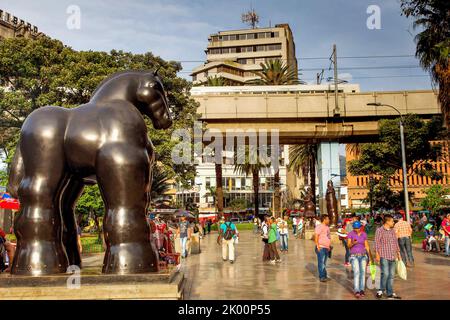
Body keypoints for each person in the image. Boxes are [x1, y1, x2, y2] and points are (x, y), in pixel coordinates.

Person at [374, 214, 402, 299]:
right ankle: (381, 290)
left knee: (391, 275)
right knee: (385, 273)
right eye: (392, 221)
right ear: (387, 221)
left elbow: (395, 242)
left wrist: (398, 254)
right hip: (384, 255)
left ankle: (390, 292)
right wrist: (377, 255)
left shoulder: (393, 230)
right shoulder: (379, 230)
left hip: (392, 255)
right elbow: (377, 243)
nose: (393, 222)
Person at [347, 221, 373, 298]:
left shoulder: (364, 234)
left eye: (358, 228)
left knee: (363, 272)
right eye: (355, 228)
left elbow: (367, 246)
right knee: (357, 272)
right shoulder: (350, 234)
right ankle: (357, 290)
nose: (356, 229)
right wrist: (353, 243)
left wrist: (371, 257)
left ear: (360, 227)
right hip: (353, 256)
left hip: (363, 255)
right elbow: (348, 245)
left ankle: (362, 290)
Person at [314, 215, 331, 282]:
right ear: (324, 219)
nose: (329, 220)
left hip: (326, 247)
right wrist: (317, 245)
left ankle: (324, 275)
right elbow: (316, 236)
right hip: (321, 247)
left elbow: (328, 237)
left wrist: (329, 246)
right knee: (321, 262)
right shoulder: (319, 227)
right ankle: (322, 276)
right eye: (328, 219)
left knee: (324, 262)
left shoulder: (327, 227)